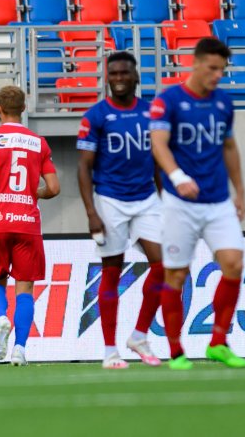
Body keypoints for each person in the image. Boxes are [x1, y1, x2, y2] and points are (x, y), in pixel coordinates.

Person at [150, 37, 245, 370]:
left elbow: (230, 148)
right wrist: (177, 177)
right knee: (176, 275)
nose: (218, 75)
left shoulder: (224, 103)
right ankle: (176, 350)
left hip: (218, 200)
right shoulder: (169, 101)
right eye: (212, 68)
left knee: (234, 263)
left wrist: (241, 192)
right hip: (180, 203)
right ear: (196, 63)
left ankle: (218, 343)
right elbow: (158, 144)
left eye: (222, 69)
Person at [76, 52, 164, 369]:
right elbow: (84, 168)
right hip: (110, 199)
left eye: (124, 73)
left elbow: (158, 156)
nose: (119, 78)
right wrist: (91, 212)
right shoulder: (96, 116)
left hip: (145, 197)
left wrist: (166, 197)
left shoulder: (152, 112)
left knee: (163, 265)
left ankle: (139, 335)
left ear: (136, 76)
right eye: (113, 73)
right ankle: (110, 351)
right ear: (107, 78)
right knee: (112, 271)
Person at [0, 86, 60, 367]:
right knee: (25, 289)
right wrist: (35, 193)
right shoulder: (38, 142)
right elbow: (54, 188)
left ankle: (1, 319)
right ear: (23, 109)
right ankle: (19, 349)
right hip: (27, 223)